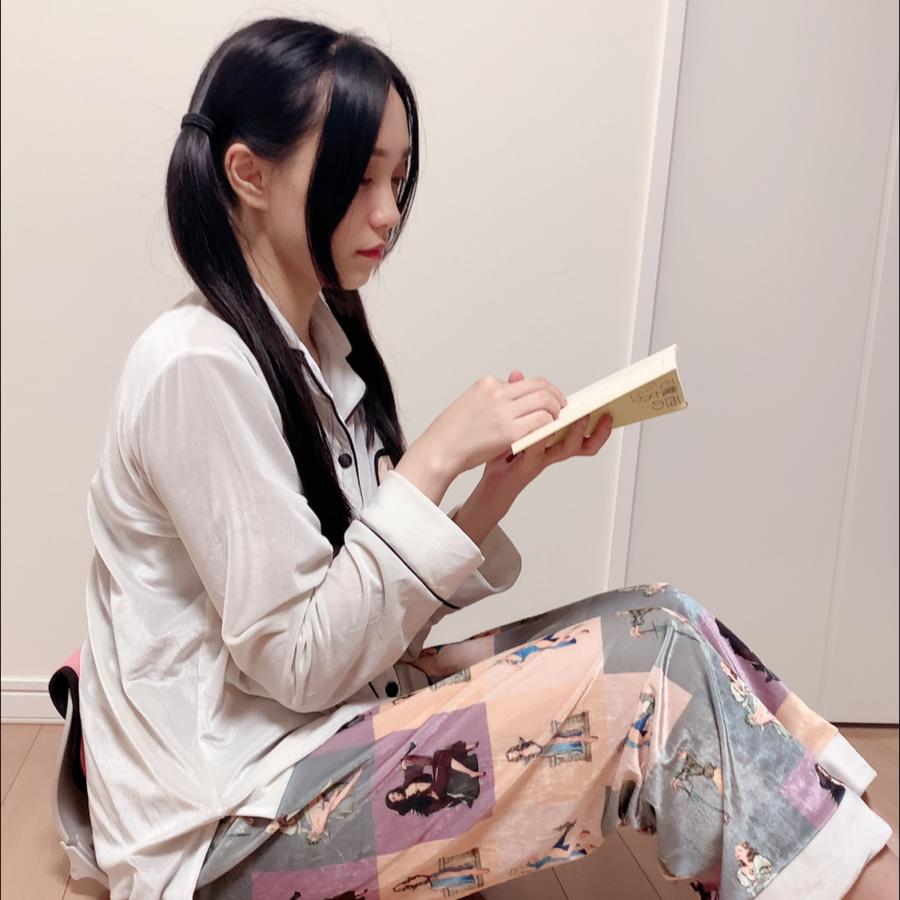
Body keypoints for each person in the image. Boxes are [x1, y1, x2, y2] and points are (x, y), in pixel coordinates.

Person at [74, 15, 898, 900]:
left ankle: (842, 863)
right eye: (359, 176)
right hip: (233, 828)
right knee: (651, 666)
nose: (389, 212)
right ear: (249, 173)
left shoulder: (316, 345)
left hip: (312, 740)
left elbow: (363, 627)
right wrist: (430, 458)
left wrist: (499, 485)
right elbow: (302, 665)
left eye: (398, 178)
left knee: (666, 615)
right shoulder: (197, 367)